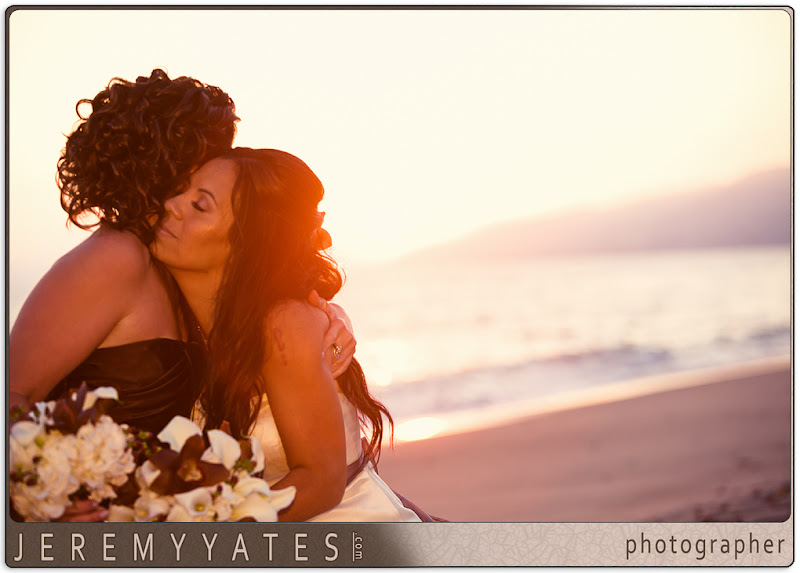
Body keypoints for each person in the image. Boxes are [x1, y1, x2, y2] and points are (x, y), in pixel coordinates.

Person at [9, 71, 355, 522]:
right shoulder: (121, 257)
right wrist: (37, 500)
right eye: (189, 177)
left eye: (201, 196)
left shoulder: (177, 268)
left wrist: (327, 319)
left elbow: (263, 307)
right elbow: (12, 389)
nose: (181, 199)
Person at [150, 147, 435, 522]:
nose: (172, 205)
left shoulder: (283, 323)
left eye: (200, 206)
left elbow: (322, 482)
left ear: (244, 243)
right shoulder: (193, 324)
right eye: (180, 191)